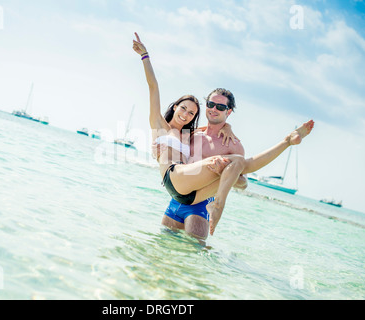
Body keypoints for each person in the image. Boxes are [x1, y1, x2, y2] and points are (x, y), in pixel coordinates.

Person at [133, 32, 314, 237]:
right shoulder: (170, 128)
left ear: (227, 112)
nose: (186, 114)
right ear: (175, 107)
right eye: (184, 108)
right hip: (175, 183)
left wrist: (228, 167)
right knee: (163, 248)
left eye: (191, 113)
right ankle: (285, 142)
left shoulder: (196, 136)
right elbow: (153, 86)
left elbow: (243, 182)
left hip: (196, 199)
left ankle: (286, 141)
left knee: (237, 162)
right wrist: (145, 56)